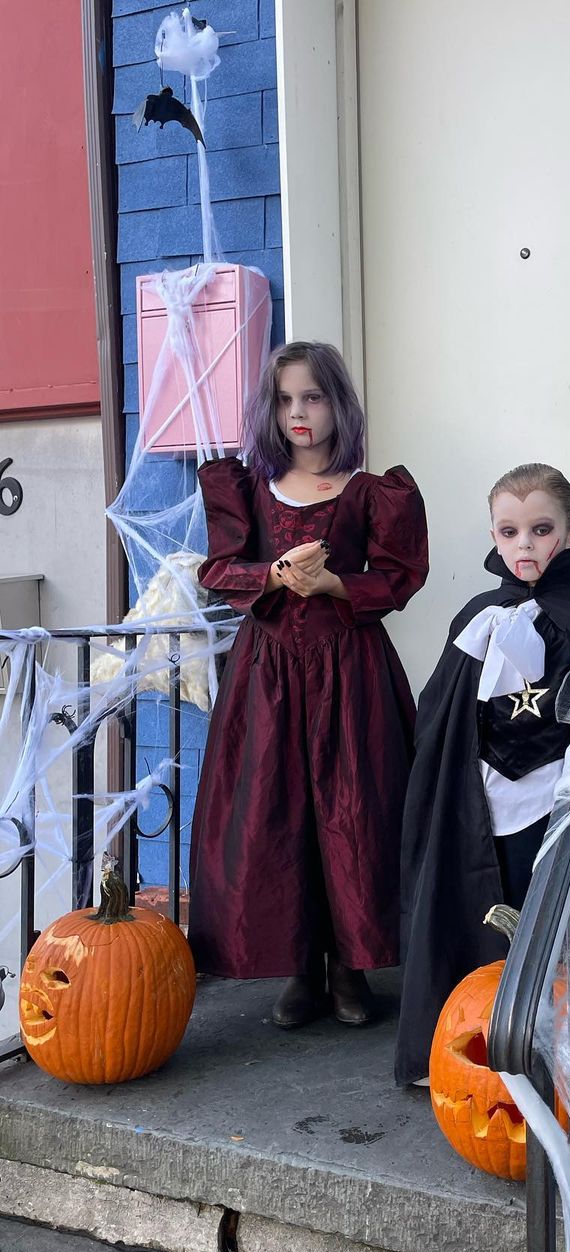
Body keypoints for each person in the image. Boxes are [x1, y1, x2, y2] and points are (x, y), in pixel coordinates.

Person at [189, 340, 428, 1028]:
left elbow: (399, 577)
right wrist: (272, 575)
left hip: (349, 672)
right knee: (280, 812)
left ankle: (350, 969)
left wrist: (332, 585)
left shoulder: (370, 492)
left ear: (337, 405)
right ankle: (300, 970)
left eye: (313, 397)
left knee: (351, 812)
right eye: (285, 399)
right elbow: (220, 570)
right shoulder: (249, 490)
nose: (298, 412)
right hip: (267, 678)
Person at [395, 463, 570, 1086]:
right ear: (493, 535)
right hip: (479, 795)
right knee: (479, 909)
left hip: (556, 797)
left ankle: (555, 1058)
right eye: (510, 531)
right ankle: (476, 1049)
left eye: (541, 530)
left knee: (545, 912)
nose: (525, 545)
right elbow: (442, 709)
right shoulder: (480, 614)